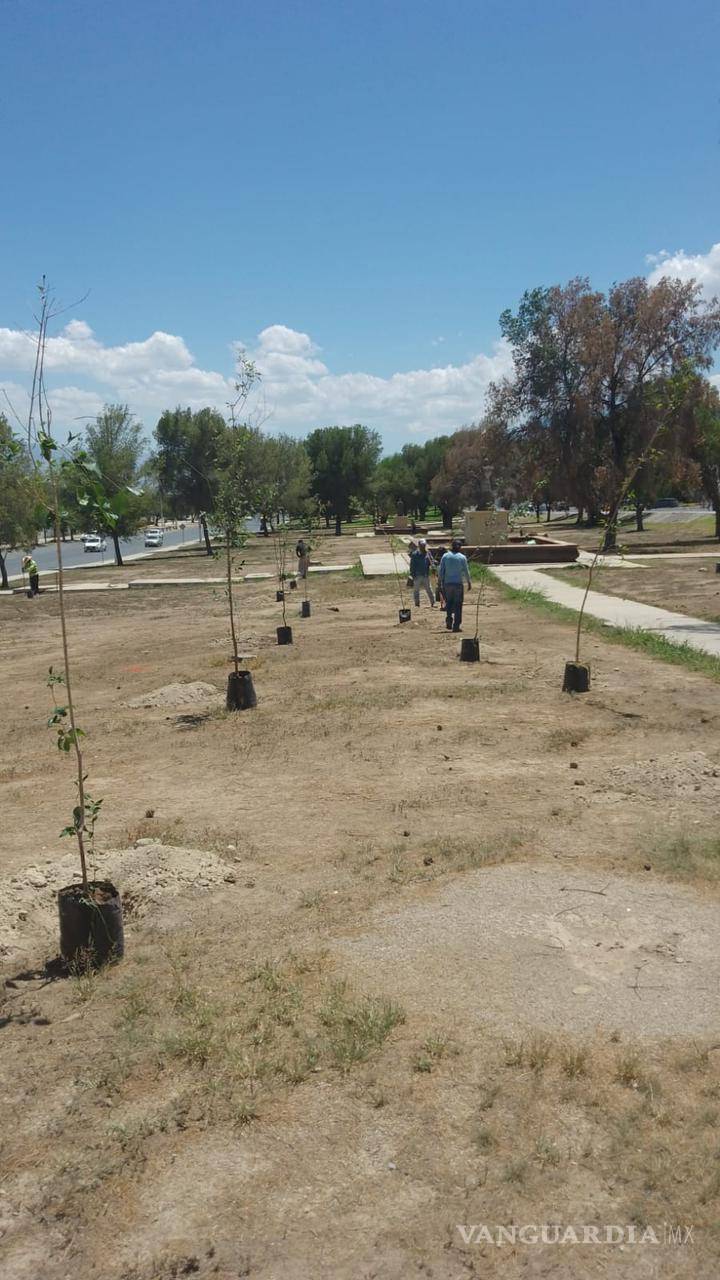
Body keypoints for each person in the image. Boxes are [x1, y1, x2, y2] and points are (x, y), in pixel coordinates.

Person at [437, 538, 472, 632]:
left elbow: (441, 570)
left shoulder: (445, 556)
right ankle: (456, 625)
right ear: (460, 547)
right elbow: (466, 571)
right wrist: (469, 582)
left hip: (447, 584)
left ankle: (449, 620)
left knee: (449, 603)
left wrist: (439, 582)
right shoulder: (462, 557)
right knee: (458, 605)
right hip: (458, 584)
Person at [409, 537, 435, 608]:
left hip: (425, 575)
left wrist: (433, 566)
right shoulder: (415, 554)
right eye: (422, 545)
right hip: (417, 575)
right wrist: (412, 574)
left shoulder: (428, 553)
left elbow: (431, 561)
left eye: (424, 545)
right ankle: (417, 604)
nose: (423, 546)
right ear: (419, 545)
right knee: (416, 590)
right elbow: (412, 565)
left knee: (429, 589)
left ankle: (433, 602)